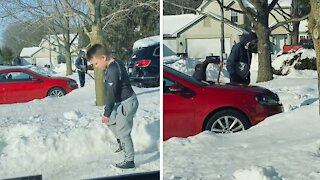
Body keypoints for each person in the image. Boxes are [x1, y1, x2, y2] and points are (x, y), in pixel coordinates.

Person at [86, 44, 139, 169]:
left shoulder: (112, 70)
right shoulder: (115, 62)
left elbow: (110, 94)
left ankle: (129, 161)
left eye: (96, 63)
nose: (96, 67)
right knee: (111, 122)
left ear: (103, 57)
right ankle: (122, 143)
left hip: (126, 103)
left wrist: (106, 113)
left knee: (123, 132)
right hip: (121, 102)